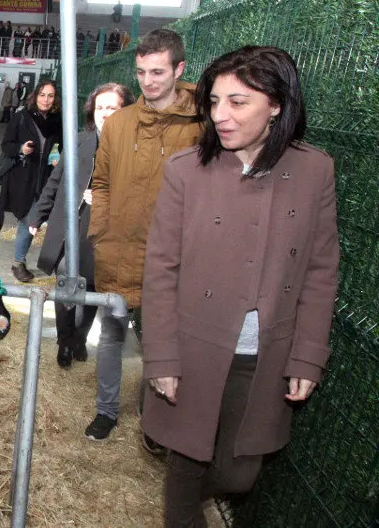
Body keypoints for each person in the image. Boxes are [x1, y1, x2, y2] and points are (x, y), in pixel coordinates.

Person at [142, 45, 339, 527]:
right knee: (186, 468)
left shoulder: (315, 171)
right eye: (214, 102)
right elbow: (161, 268)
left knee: (239, 474)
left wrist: (308, 355)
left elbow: (320, 270)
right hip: (194, 348)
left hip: (264, 354)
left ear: (276, 104)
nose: (220, 116)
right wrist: (163, 356)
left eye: (237, 102)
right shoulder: (186, 170)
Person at [85, 28, 203, 442]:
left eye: (157, 72)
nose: (148, 82)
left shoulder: (200, 126)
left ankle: (154, 422)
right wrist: (100, 229)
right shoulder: (118, 124)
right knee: (111, 338)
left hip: (169, 259)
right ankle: (106, 411)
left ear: (179, 69)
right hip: (116, 250)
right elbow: (100, 182)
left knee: (160, 347)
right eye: (141, 72)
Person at [28, 83, 134, 366]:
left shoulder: (134, 150)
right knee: (65, 284)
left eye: (112, 108)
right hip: (69, 227)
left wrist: (107, 196)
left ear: (126, 112)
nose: (105, 114)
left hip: (103, 233)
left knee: (91, 289)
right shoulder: (78, 140)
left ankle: (79, 339)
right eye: (100, 107)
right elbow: (56, 179)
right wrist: (38, 215)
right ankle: (65, 341)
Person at [0, 80, 63, 283]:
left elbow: (61, 146)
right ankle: (18, 263)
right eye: (42, 94)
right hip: (23, 179)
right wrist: (21, 149)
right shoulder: (21, 117)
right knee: (28, 220)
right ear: (35, 96)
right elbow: (6, 145)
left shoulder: (58, 120)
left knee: (35, 220)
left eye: (50, 95)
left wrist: (57, 156)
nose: (46, 99)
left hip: (45, 179)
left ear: (55, 99)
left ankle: (24, 261)